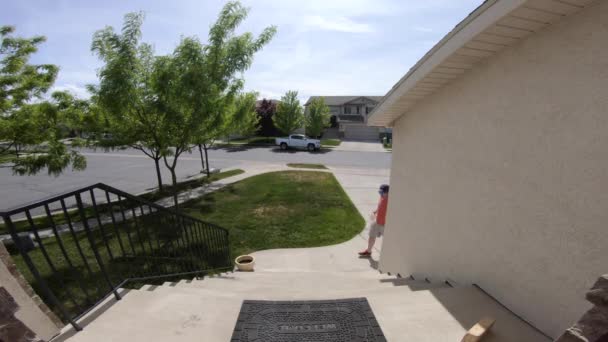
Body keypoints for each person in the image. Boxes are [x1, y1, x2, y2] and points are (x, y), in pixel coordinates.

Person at [358, 184, 389, 257]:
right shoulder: (382, 197)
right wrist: (375, 212)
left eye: (382, 192)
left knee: (388, 241)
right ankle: (368, 252)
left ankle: (387, 257)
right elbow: (380, 206)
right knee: (371, 236)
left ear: (388, 192)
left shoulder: (391, 201)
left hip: (385, 224)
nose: (380, 194)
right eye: (380, 192)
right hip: (377, 221)